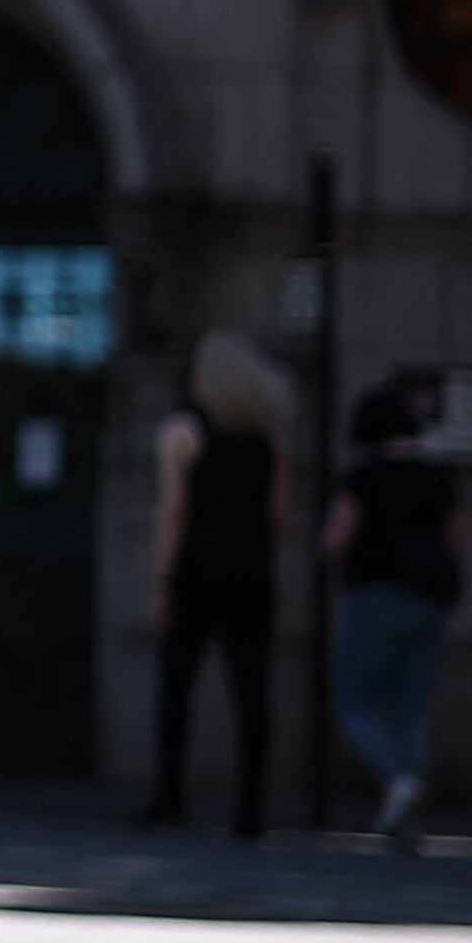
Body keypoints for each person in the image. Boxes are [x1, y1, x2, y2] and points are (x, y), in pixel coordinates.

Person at [139, 325, 291, 837]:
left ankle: (169, 797)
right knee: (251, 694)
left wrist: (163, 579)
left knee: (176, 687)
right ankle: (250, 808)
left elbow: (173, 511)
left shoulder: (182, 433)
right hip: (250, 573)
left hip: (197, 570)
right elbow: (277, 519)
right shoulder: (269, 440)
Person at [325, 379, 462, 848]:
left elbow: (337, 538)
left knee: (355, 704)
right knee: (410, 710)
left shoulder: (364, 477)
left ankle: (397, 783)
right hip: (428, 600)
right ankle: (408, 809)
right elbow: (452, 541)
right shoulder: (436, 475)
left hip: (373, 595)